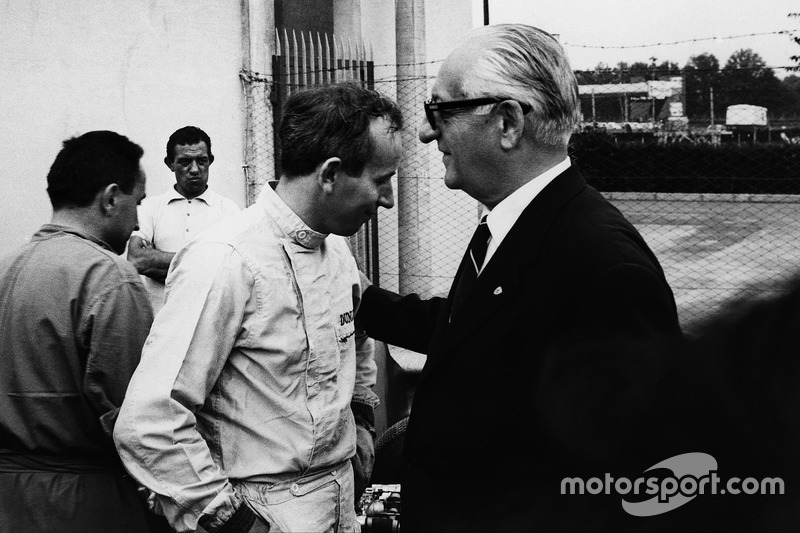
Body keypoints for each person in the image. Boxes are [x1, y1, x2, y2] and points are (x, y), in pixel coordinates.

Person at [355, 24, 683, 532]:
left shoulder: (604, 268)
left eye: (440, 111)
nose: (425, 132)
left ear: (507, 123)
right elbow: (474, 329)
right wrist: (361, 299)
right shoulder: (514, 224)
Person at [114, 83, 402, 533]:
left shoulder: (339, 252)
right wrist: (234, 523)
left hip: (341, 497)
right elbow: (151, 421)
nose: (387, 199)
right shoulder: (226, 258)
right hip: (264, 507)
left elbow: (357, 340)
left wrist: (362, 419)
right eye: (381, 181)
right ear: (329, 174)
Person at [0, 131, 165, 532]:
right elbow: (136, 418)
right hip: (86, 505)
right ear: (111, 198)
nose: (138, 220)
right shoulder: (108, 277)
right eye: (137, 202)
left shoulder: (8, 267)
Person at [127, 126, 240, 313]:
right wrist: (209, 261)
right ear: (170, 163)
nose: (194, 169)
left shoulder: (228, 211)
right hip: (159, 323)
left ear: (210, 161)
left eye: (201, 161)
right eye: (185, 161)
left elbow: (233, 272)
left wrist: (158, 259)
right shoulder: (150, 207)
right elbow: (137, 259)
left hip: (208, 323)